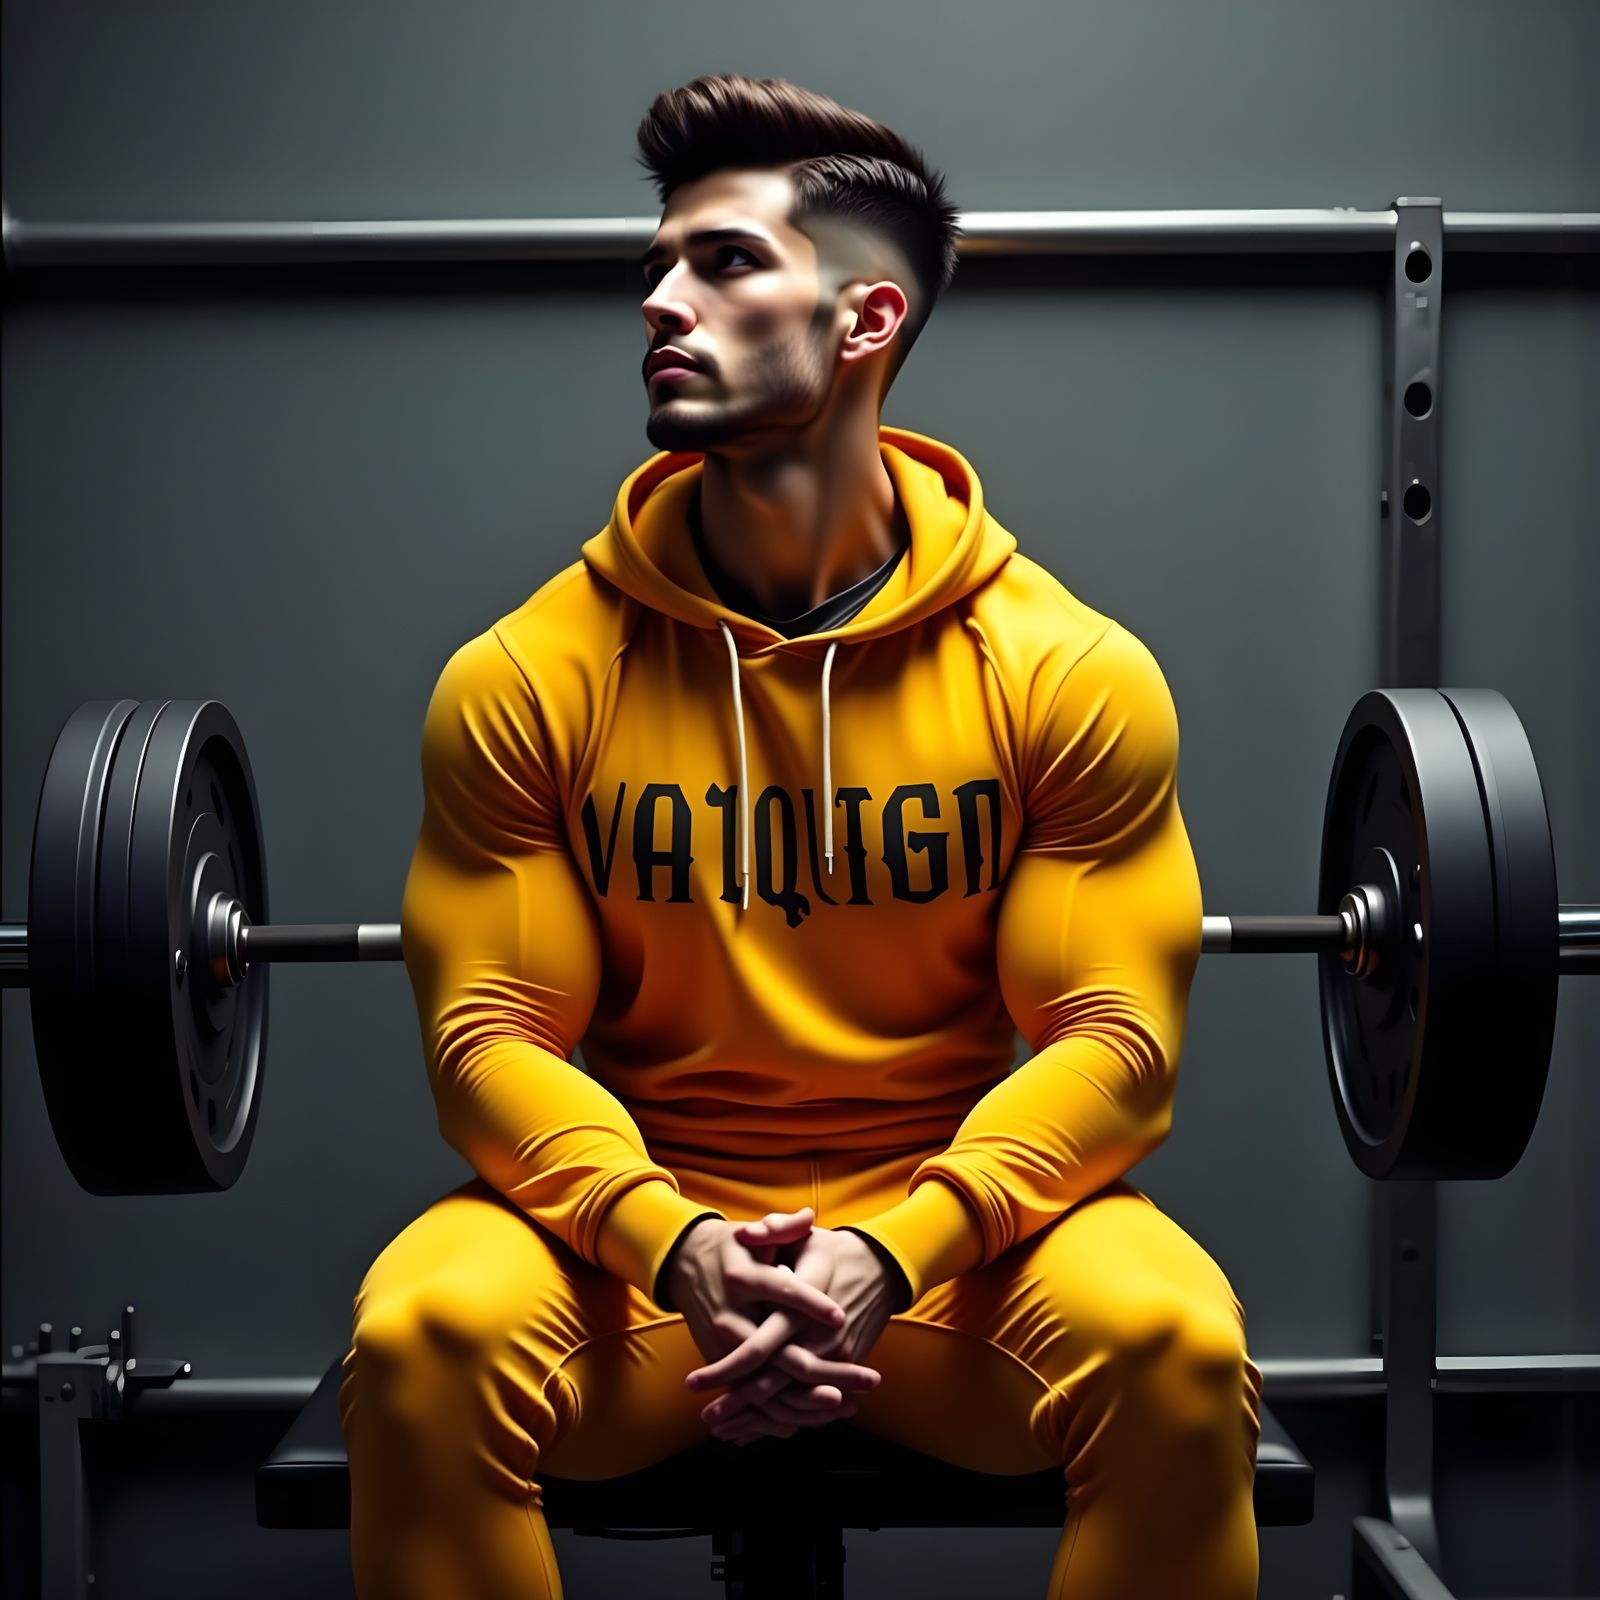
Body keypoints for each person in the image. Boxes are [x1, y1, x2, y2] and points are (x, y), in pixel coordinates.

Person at [339, 71, 1264, 1599]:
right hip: (629, 1251)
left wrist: (891, 1250)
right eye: (655, 264)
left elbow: (1114, 1042)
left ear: (864, 324)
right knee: (423, 1340)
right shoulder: (525, 679)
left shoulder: (1067, 674)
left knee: (1172, 1352)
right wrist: (674, 1244)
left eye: (722, 261)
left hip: (958, 1263)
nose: (660, 299)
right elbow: (490, 1034)